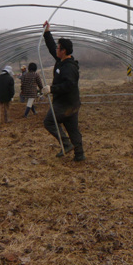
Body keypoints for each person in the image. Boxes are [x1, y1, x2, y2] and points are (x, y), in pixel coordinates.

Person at [41, 21, 85, 161]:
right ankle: (79, 155)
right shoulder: (61, 61)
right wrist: (47, 32)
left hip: (65, 103)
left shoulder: (69, 67)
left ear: (63, 50)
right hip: (71, 103)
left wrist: (52, 89)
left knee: (49, 121)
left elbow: (70, 85)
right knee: (72, 129)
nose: (56, 50)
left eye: (59, 48)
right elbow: (51, 46)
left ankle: (66, 144)